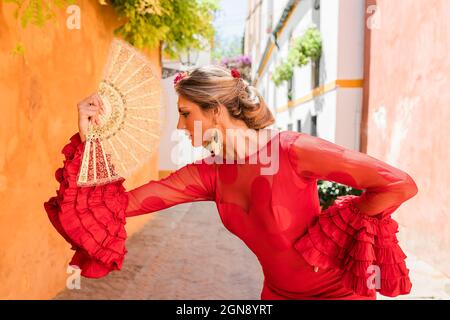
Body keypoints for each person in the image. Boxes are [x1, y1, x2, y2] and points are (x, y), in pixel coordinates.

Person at [44, 65, 418, 300]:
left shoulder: (293, 150)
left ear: (217, 111)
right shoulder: (208, 175)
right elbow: (119, 207)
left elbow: (397, 184)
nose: (179, 126)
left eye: (186, 114)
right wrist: (92, 138)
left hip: (338, 296)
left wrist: (347, 225)